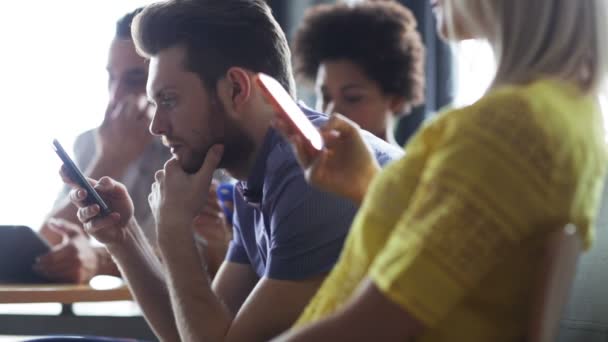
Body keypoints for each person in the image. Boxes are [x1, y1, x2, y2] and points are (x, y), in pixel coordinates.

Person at [64, 0, 403, 341]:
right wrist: (125, 237)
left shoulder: (311, 174)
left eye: (168, 100)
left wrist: (174, 230)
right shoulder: (258, 172)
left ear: (237, 89)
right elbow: (195, 330)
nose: (156, 125)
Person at [273, 0, 608, 340]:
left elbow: (374, 325)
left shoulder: (508, 128)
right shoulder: (568, 113)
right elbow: (465, 258)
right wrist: (368, 184)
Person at [36, 8, 231, 283]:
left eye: (134, 79)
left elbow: (196, 255)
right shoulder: (93, 143)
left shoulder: (196, 145)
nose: (115, 96)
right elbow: (43, 250)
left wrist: (99, 261)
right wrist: (110, 160)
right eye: (111, 78)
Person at [292, 0, 425, 143]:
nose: (332, 113)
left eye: (352, 98)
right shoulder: (308, 163)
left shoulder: (409, 165)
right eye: (325, 97)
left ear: (395, 101)